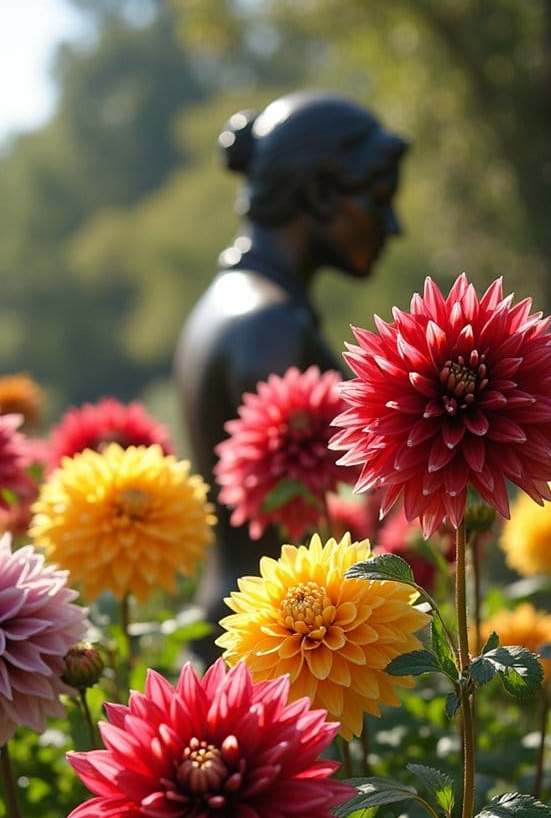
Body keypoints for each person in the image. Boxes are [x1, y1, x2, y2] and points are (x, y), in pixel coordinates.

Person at [174, 88, 408, 660]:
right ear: (323, 195)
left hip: (235, 632)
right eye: (379, 198)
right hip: (276, 647)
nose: (393, 224)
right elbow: (305, 504)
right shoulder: (270, 327)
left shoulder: (233, 302)